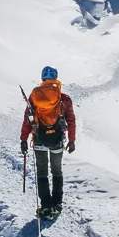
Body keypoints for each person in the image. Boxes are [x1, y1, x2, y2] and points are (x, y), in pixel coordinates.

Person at [20, 65, 76, 219]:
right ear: (56, 79)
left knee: (42, 173)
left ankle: (46, 207)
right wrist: (72, 140)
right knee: (57, 172)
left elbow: (28, 118)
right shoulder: (64, 98)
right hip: (57, 141)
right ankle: (57, 205)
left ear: (43, 79)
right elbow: (71, 120)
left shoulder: (34, 96)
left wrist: (23, 139)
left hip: (39, 140)